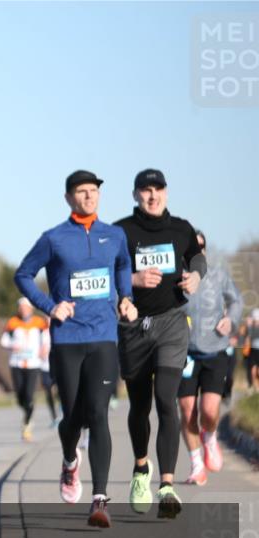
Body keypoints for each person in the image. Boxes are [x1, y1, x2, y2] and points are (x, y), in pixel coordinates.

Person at [16, 169, 137, 528]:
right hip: (67, 339)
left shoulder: (114, 235)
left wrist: (126, 297)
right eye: (81, 192)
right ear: (69, 198)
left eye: (93, 191)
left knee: (99, 413)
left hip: (103, 337)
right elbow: (22, 274)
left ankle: (99, 499)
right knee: (73, 417)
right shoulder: (53, 239)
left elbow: (124, 264)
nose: (88, 197)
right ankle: (70, 461)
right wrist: (49, 305)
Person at [115, 168, 206, 519]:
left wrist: (196, 275)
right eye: (146, 190)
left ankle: (167, 485)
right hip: (134, 327)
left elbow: (198, 257)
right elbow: (108, 271)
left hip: (171, 323)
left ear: (166, 192)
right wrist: (133, 280)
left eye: (158, 190)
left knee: (166, 400)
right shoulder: (121, 231)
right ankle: (141, 469)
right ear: (136, 194)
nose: (153, 196)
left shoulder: (181, 228)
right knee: (139, 406)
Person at [178, 229, 242, 485]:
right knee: (187, 410)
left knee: (208, 410)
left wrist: (230, 319)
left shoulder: (218, 275)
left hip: (215, 350)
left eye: (201, 246)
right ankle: (195, 464)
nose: (197, 251)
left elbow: (236, 301)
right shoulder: (174, 279)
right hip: (184, 353)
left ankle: (210, 437)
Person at [1, 297, 50, 441]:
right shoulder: (12, 322)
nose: (23, 310)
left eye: (26, 307)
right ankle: (27, 412)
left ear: (31, 309)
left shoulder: (39, 323)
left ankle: (27, 423)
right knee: (20, 396)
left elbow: (46, 338)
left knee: (29, 395)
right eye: (20, 307)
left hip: (33, 363)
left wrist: (44, 348)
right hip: (16, 363)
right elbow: (3, 340)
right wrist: (11, 345)